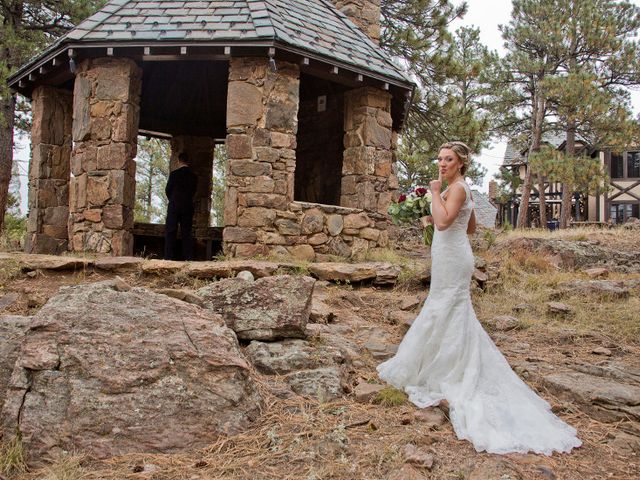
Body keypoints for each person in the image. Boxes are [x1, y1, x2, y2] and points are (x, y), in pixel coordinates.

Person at [377, 141, 581, 455]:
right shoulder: (461, 189)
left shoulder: (455, 188)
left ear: (460, 164)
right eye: (440, 158)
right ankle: (439, 365)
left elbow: (446, 222)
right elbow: (469, 226)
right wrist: (434, 215)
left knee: (444, 308)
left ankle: (448, 370)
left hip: (453, 258)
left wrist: (434, 194)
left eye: (448, 160)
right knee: (447, 310)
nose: (441, 164)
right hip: (453, 253)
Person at [164, 152, 197, 261]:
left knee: (171, 231)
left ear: (178, 161)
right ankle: (188, 258)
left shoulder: (174, 174)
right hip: (187, 206)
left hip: (174, 205)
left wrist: (173, 199)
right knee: (186, 232)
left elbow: (167, 190)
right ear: (188, 161)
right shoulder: (193, 176)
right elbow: (193, 191)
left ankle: (168, 257)